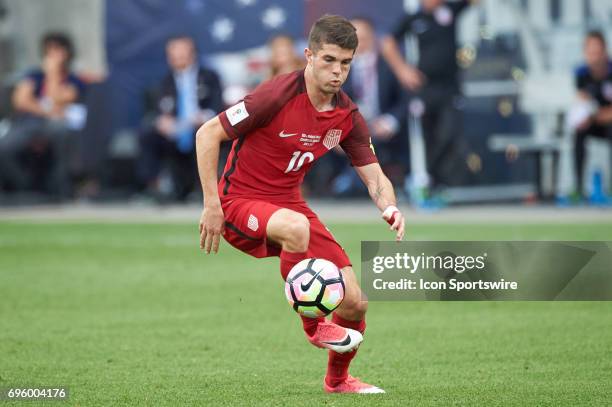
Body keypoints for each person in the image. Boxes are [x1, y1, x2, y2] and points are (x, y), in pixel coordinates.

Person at [196, 15, 405, 394]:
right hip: (239, 202)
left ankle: (338, 381)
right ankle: (314, 327)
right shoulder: (274, 96)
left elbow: (374, 177)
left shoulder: (347, 115)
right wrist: (212, 204)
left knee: (356, 303)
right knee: (296, 227)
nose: (337, 71)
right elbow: (207, 133)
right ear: (308, 56)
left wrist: (388, 206)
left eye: (345, 62)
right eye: (329, 60)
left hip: (290, 207)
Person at [381, 0, 480, 191]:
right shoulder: (414, 18)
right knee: (428, 136)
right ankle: (426, 182)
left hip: (450, 88)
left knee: (450, 132)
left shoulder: (450, 11)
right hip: (425, 88)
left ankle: (436, 178)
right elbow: (387, 42)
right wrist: (402, 70)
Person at [0, 32, 86, 198]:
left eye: (57, 51)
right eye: (49, 51)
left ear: (67, 53)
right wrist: (47, 109)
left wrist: (53, 74)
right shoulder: (34, 75)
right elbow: (21, 101)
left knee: (62, 133)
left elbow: (58, 98)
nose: (53, 56)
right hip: (29, 122)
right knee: (5, 147)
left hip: (54, 124)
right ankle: (25, 187)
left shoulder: (74, 80)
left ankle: (60, 187)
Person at [139, 35, 223, 201]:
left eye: (182, 52)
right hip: (174, 131)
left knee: (201, 135)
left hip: (201, 127)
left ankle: (203, 190)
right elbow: (156, 111)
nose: (178, 57)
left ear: (193, 53)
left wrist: (203, 117)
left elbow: (217, 106)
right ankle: (152, 186)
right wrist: (161, 121)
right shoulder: (164, 81)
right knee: (147, 135)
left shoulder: (209, 76)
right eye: (173, 53)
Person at [340, 17, 409, 189]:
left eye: (364, 38)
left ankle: (354, 185)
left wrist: (391, 120)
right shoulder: (340, 68)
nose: (360, 43)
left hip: (384, 126)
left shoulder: (389, 64)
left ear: (373, 37)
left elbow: (406, 98)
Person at [572, 31, 612, 198]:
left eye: (597, 51)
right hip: (595, 121)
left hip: (608, 124)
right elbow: (583, 102)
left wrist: (603, 114)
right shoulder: (581, 74)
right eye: (591, 52)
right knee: (579, 133)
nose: (594, 57)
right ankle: (579, 188)